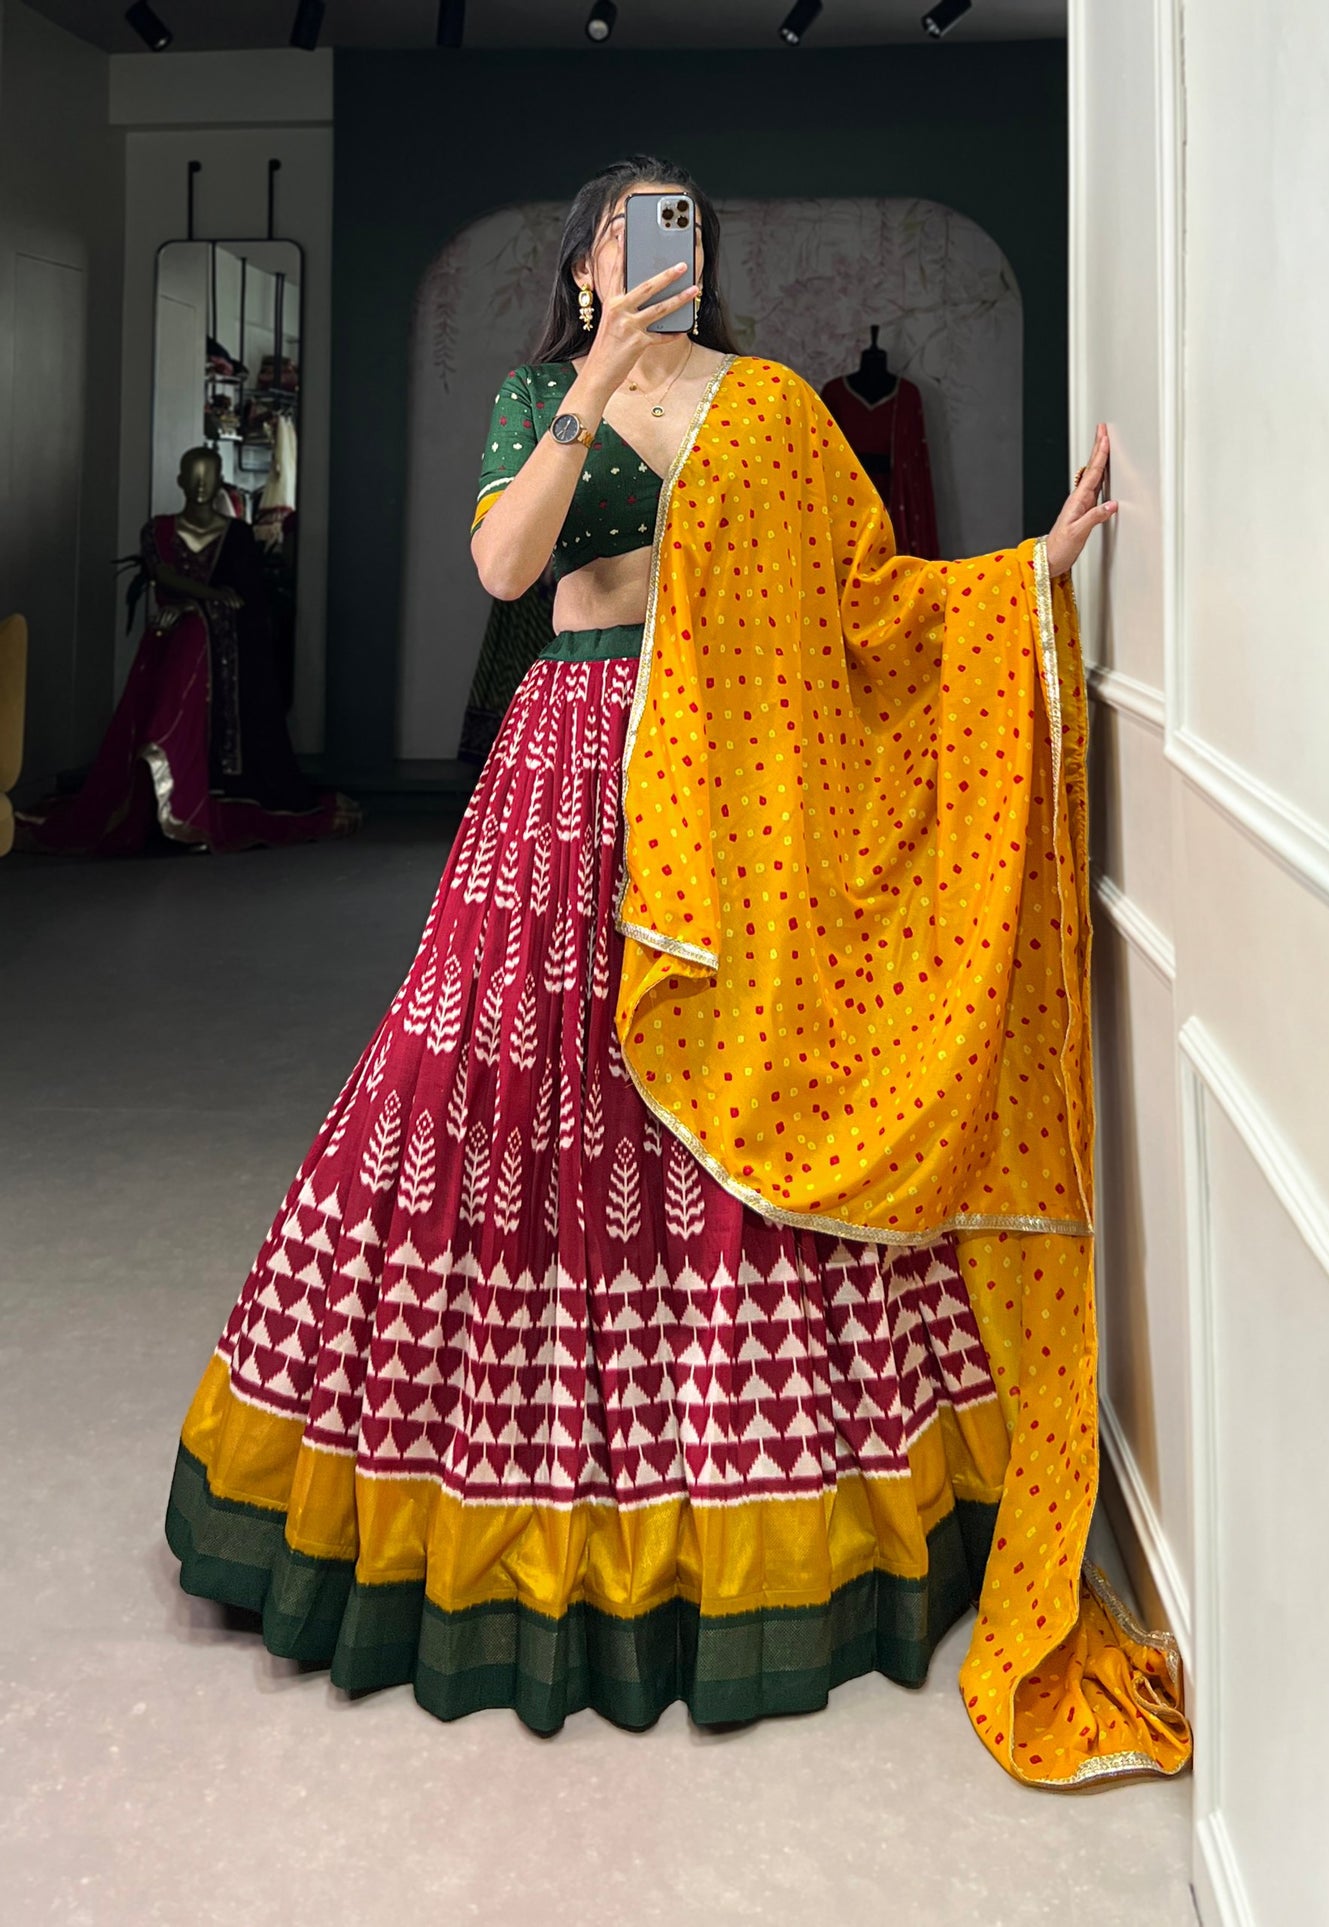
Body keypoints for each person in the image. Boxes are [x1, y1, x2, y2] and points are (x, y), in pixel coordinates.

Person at [165, 157, 1190, 1788]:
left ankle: (763, 1525)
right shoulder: (537, 395)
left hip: (740, 787)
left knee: (738, 1106)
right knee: (512, 1104)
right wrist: (588, 383)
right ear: (583, 268)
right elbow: (505, 572)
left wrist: (1028, 572)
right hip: (579, 771)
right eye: (640, 233)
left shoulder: (774, 409)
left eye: (693, 228)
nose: (676, 251)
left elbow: (860, 605)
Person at [21, 446, 355, 855]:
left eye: (209, 475)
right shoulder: (159, 530)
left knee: (196, 632)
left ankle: (195, 787)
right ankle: (161, 787)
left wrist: (200, 607)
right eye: (192, 475)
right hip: (173, 639)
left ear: (219, 482)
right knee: (186, 637)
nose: (200, 484)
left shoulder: (236, 535)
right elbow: (164, 576)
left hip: (225, 650)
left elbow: (247, 599)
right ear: (179, 479)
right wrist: (205, 599)